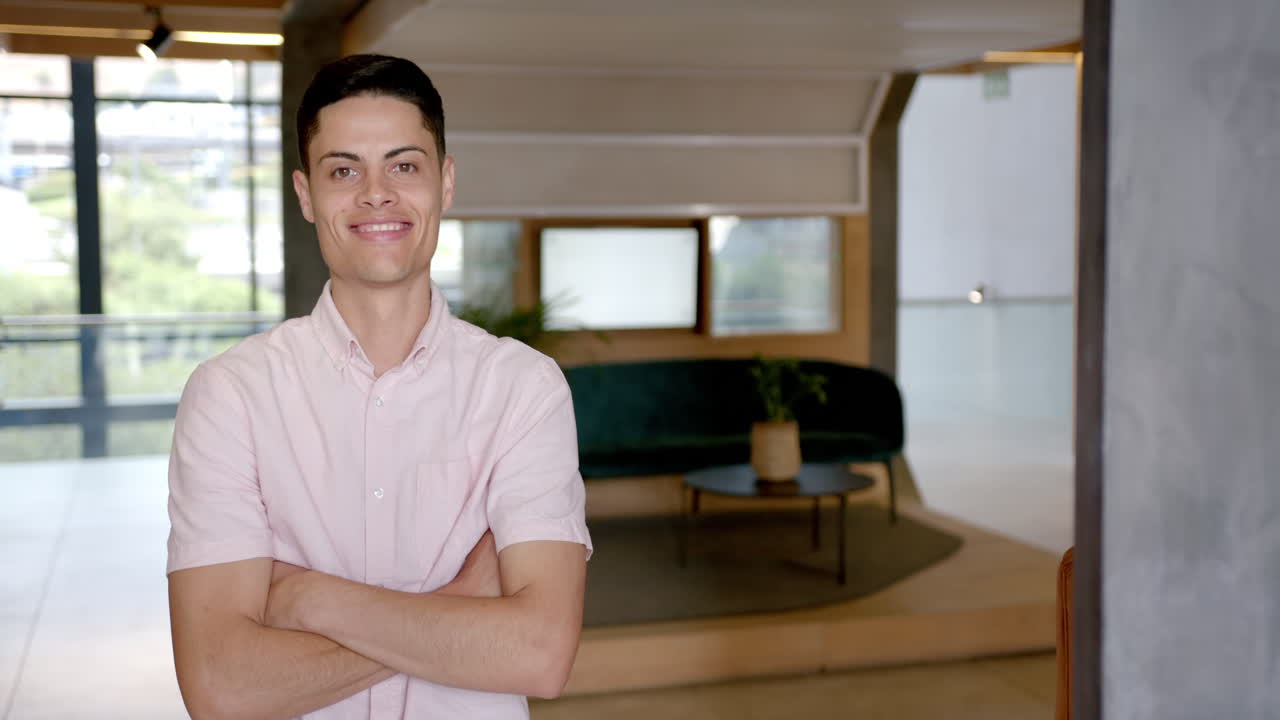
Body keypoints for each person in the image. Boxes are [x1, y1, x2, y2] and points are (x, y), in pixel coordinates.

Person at [165, 54, 592, 720]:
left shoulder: (521, 389)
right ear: (306, 195)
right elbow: (222, 688)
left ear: (444, 183)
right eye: (344, 170)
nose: (376, 194)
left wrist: (307, 599)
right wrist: (456, 612)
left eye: (404, 165)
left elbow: (539, 652)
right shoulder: (231, 396)